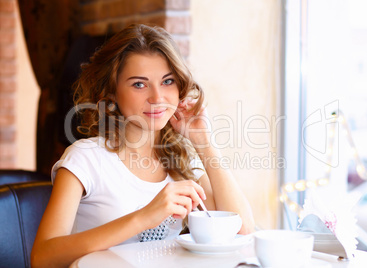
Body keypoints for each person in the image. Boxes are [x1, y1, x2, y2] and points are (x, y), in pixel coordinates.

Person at [31, 24, 254, 267]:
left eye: (167, 81)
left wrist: (205, 143)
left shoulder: (180, 160)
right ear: (112, 92)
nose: (157, 98)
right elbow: (42, 257)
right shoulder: (85, 158)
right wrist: (144, 217)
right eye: (139, 84)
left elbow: (241, 230)